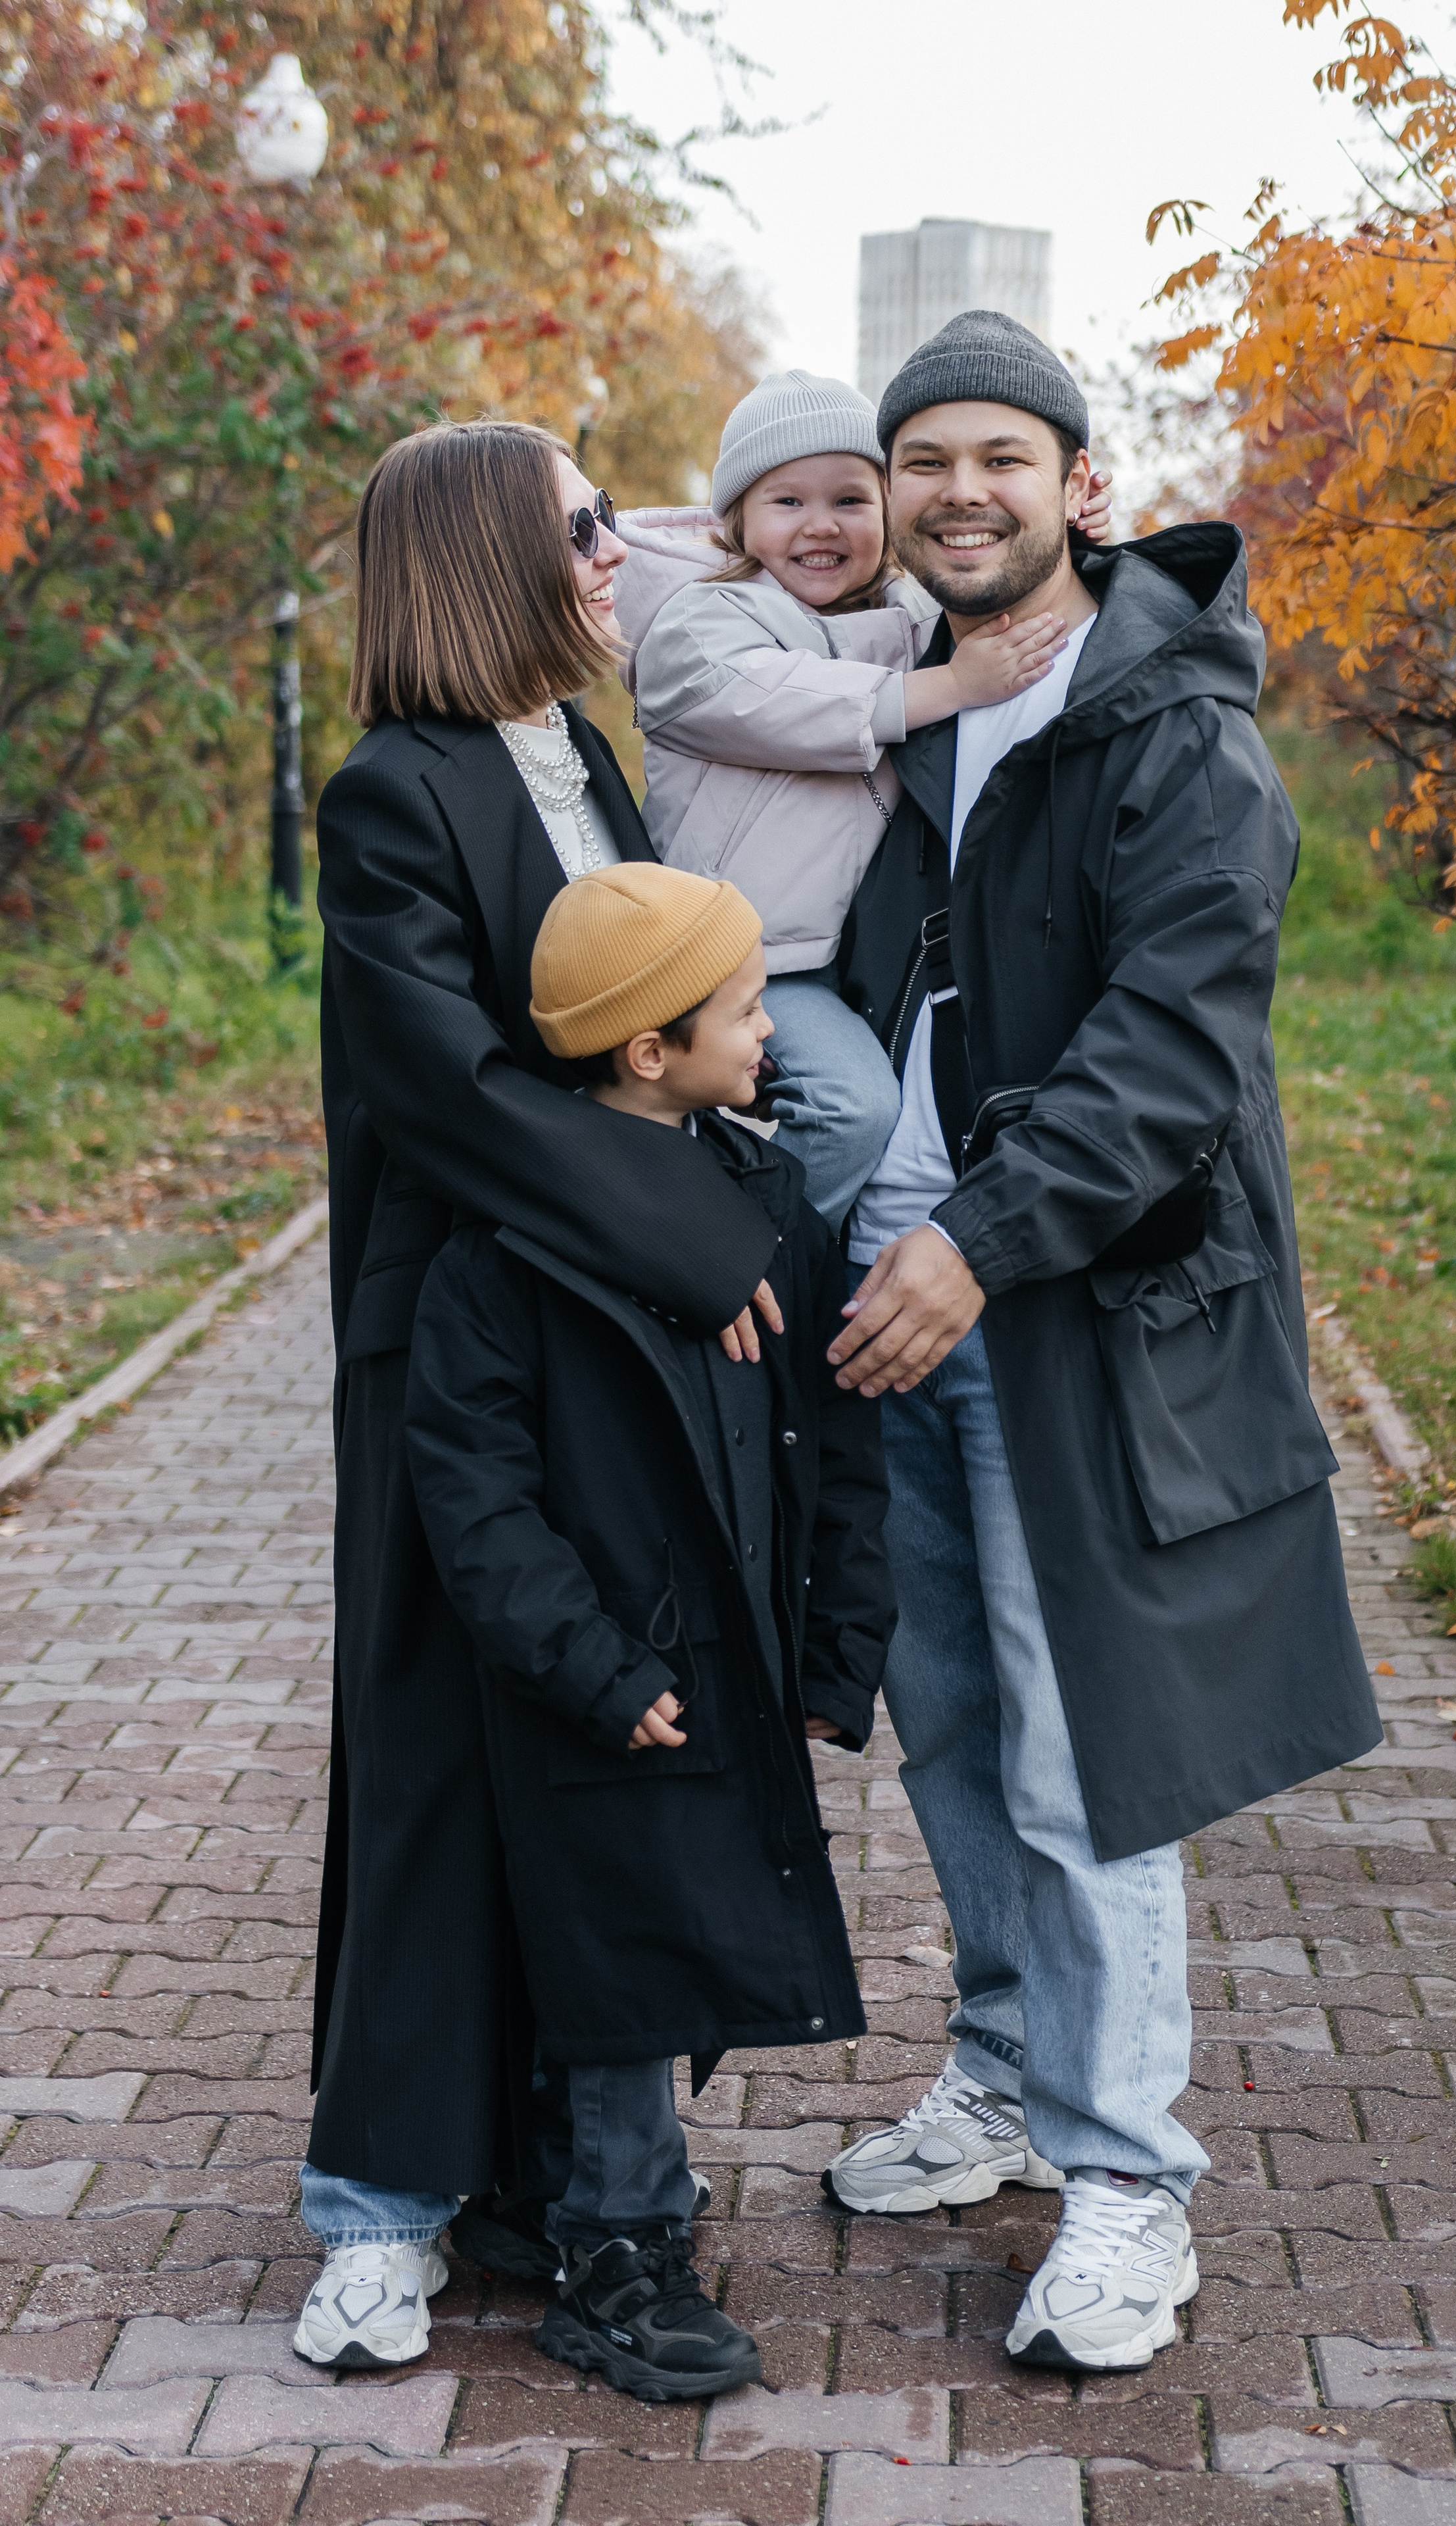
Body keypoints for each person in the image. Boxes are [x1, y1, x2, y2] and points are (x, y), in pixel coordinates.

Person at [821, 312, 1382, 2371]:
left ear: (1082, 481)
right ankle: (997, 2072)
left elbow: (1170, 1053)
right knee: (952, 1728)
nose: (958, 492)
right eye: (922, 462)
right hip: (883, 1306)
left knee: (1085, 1760)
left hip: (1071, 1307)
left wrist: (976, 1242)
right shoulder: (901, 697)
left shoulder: (1168, 724)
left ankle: (1128, 2179)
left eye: (999, 456)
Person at [299, 419, 779, 2370]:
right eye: (585, 528)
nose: (613, 553)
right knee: (425, 1751)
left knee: (596, 1727)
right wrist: (688, 1235)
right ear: (488, 562)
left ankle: (540, 2175)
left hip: (604, 1335)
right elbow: (453, 1090)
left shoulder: (588, 762)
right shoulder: (387, 795)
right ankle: (376, 2208)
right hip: (454, 1331)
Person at [404, 862, 893, 2402]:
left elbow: (834, 1435)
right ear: (643, 1050)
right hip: (610, 1683)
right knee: (631, 1949)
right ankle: (619, 2246)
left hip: (733, 1659)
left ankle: (550, 2187)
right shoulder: (498, 1263)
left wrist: (835, 1649)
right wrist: (590, 1668)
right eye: (743, 1008)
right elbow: (475, 1500)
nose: (769, 1031)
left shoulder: (764, 1205)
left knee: (685, 1931)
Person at [610, 370, 1111, 1227]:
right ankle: (739, 1263)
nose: (820, 525)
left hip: (835, 960)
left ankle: (789, 1242)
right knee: (853, 1109)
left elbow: (1004, 597)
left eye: (851, 498)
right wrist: (949, 687)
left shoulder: (900, 615)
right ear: (736, 518)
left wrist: (1074, 538)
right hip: (729, 956)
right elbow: (786, 701)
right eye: (787, 501)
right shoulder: (696, 624)